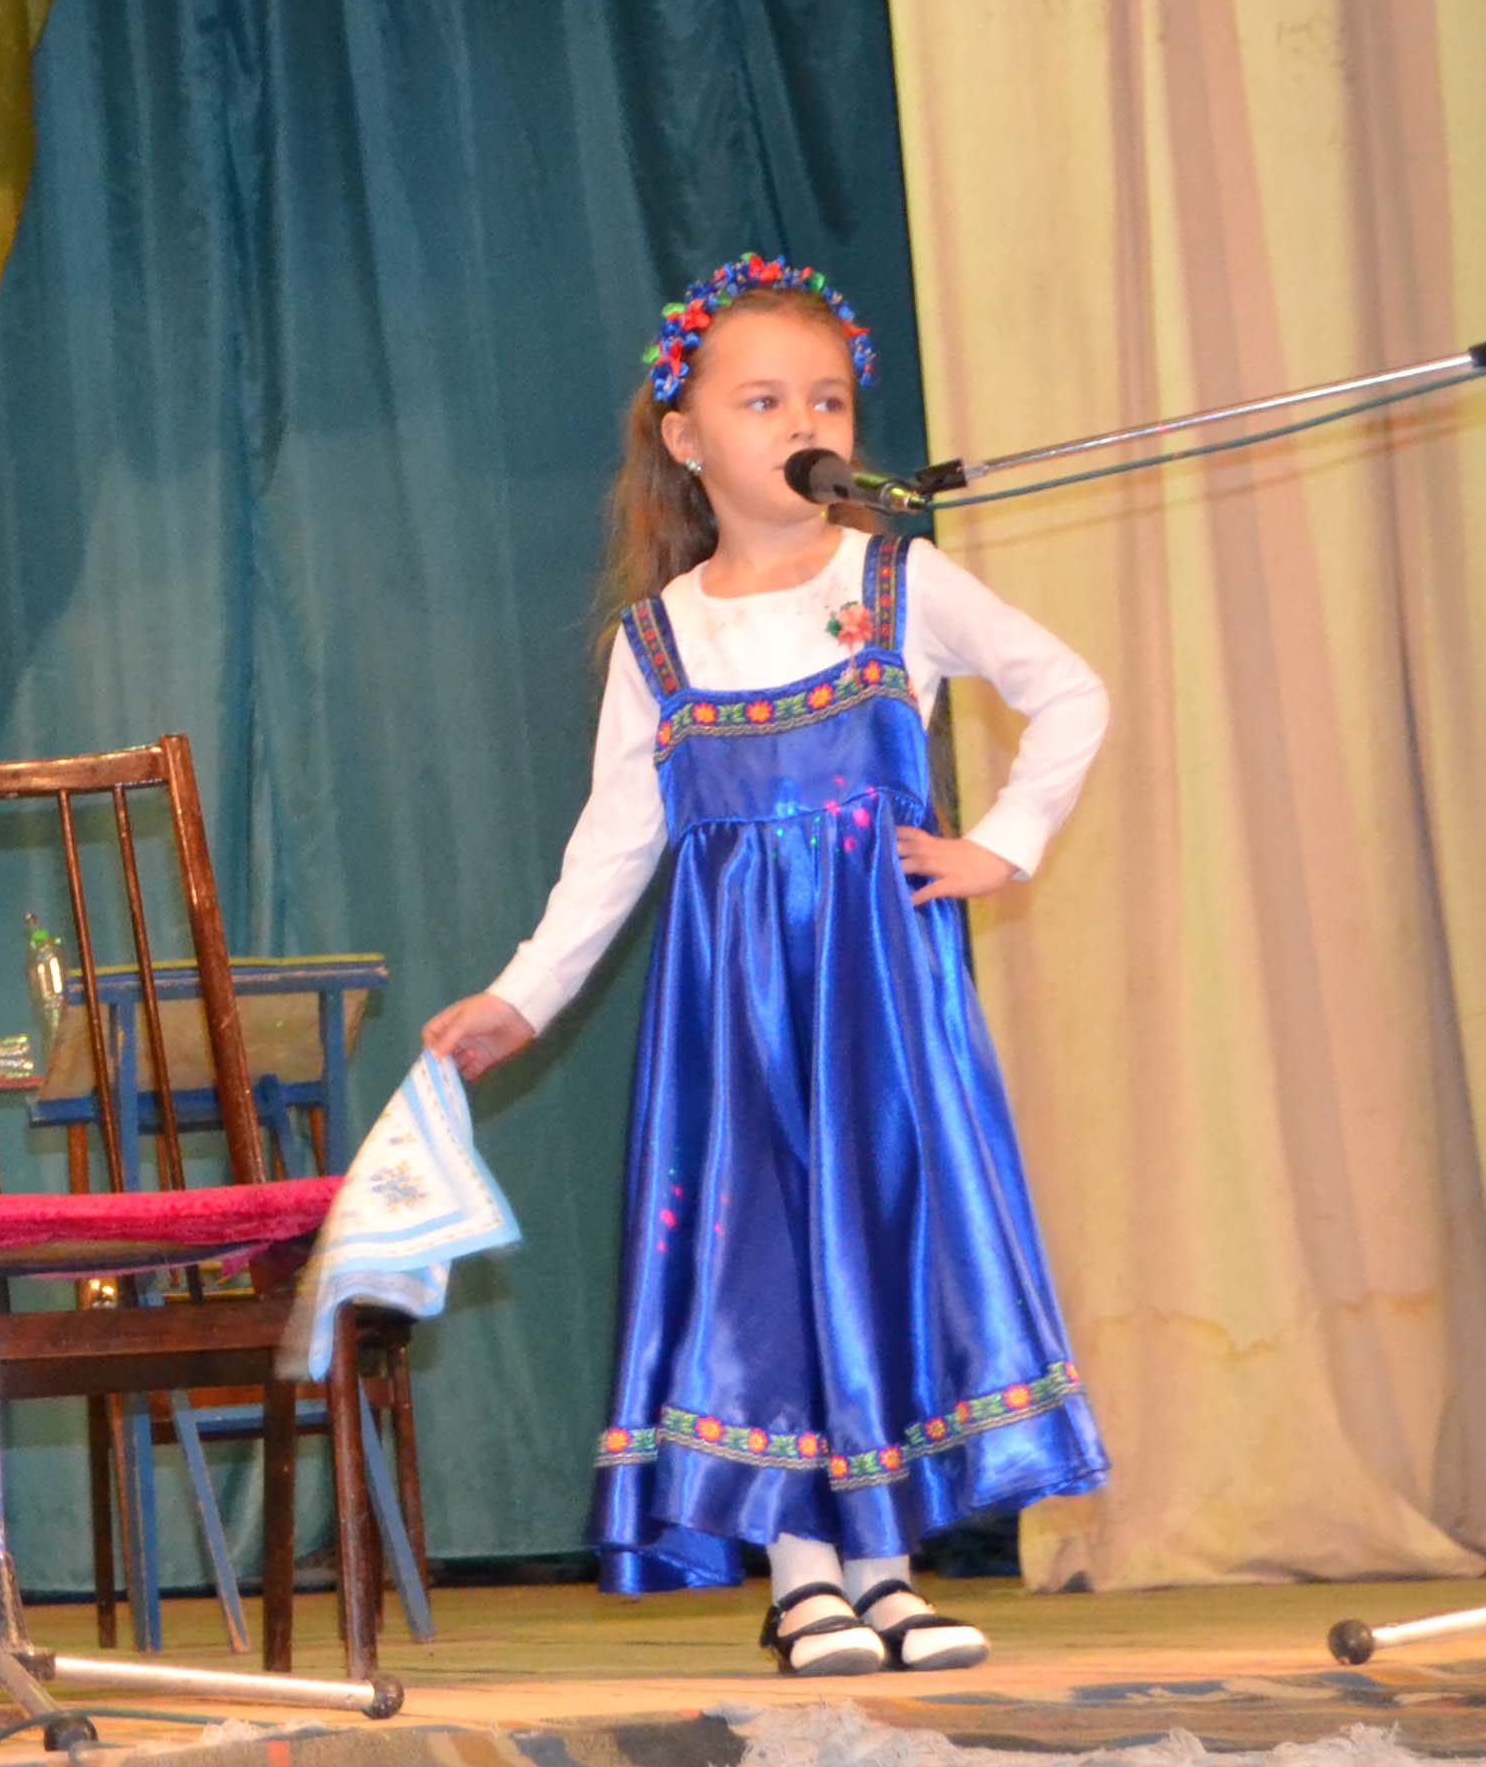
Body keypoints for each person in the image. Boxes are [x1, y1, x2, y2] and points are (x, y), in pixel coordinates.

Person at [426, 255, 1112, 1676]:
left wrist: (1001, 845)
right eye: (764, 400)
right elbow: (614, 846)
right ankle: (804, 1580)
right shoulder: (661, 640)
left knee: (881, 1247)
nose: (806, 422)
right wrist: (521, 996)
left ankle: (889, 1572)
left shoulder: (897, 582)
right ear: (686, 438)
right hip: (735, 1021)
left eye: (830, 400)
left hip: (882, 1009)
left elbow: (1068, 691)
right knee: (767, 1270)